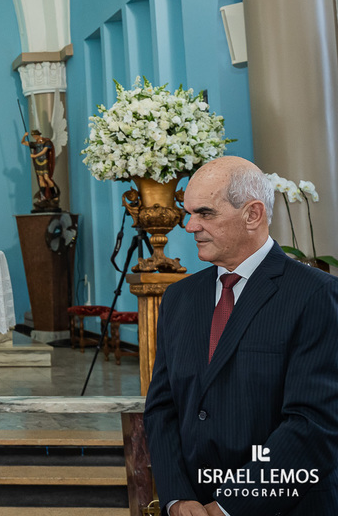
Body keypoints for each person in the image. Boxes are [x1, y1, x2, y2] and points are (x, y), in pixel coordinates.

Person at [145, 156, 338, 515]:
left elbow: (313, 424)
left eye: (204, 213)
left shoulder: (316, 295)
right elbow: (162, 407)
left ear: (252, 214)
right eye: (188, 213)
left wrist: (231, 505)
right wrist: (178, 498)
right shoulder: (179, 298)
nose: (189, 226)